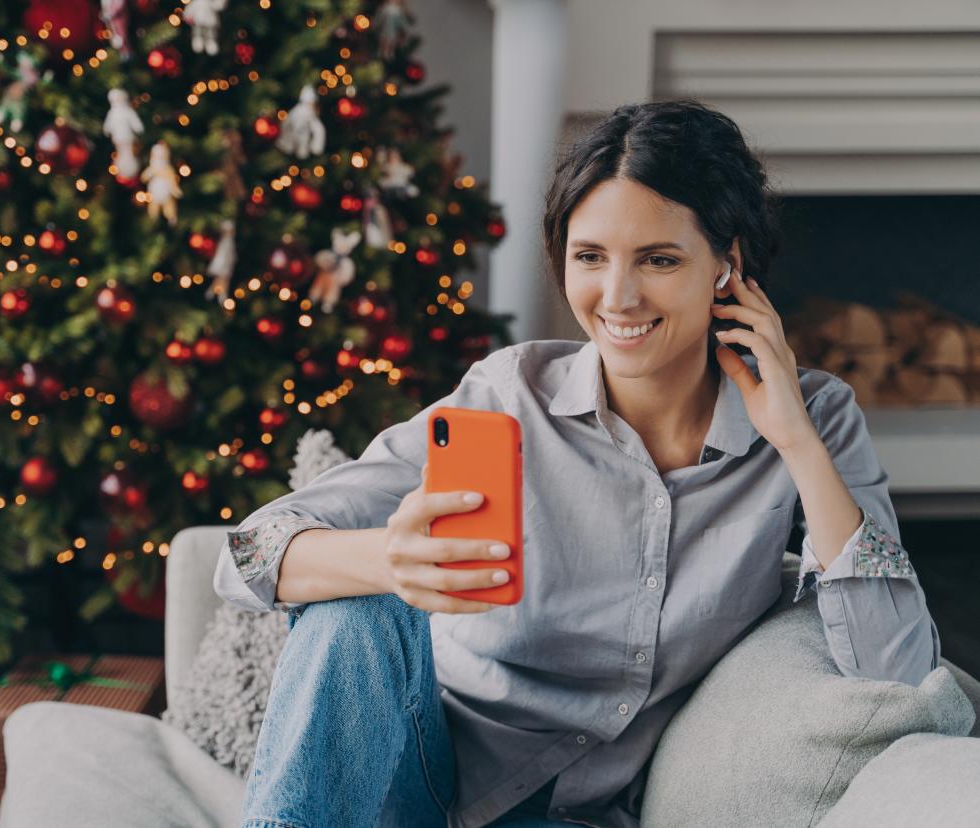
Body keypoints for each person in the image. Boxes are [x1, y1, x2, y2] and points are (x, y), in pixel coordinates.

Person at [214, 99, 940, 828]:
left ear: (727, 266)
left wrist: (797, 444)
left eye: (658, 260)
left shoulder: (813, 419)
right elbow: (243, 555)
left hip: (574, 816)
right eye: (590, 257)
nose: (617, 297)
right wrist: (387, 563)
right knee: (356, 608)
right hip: (410, 777)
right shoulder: (507, 395)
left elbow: (895, 670)